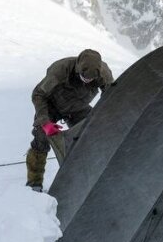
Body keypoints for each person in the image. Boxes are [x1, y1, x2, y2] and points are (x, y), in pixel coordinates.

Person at [25, 49, 113, 192]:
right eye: (84, 77)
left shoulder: (104, 74)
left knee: (93, 133)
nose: (87, 81)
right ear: (78, 68)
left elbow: (112, 97)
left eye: (91, 79)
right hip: (51, 105)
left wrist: (105, 117)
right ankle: (34, 184)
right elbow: (38, 94)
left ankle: (91, 178)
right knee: (41, 138)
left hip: (78, 107)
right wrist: (45, 122)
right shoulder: (60, 70)